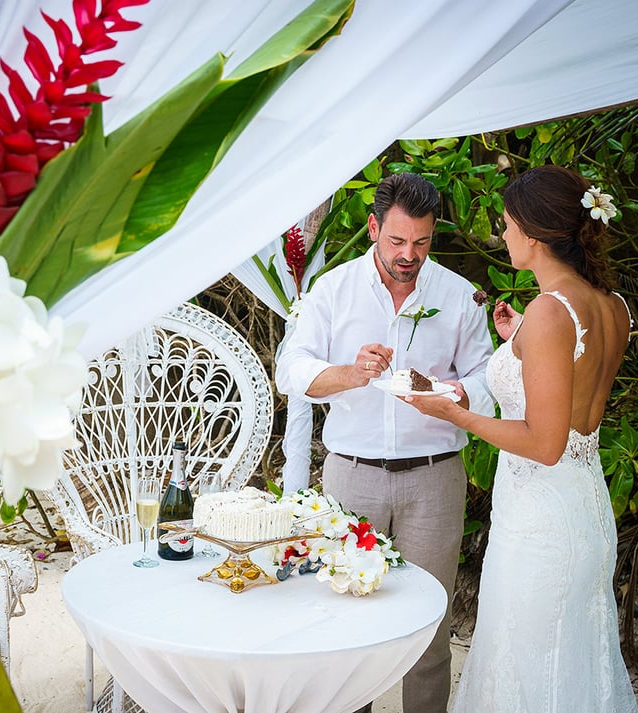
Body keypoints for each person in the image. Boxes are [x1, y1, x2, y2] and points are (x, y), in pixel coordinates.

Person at [402, 164, 636, 712]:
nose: (503, 235)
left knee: (529, 663)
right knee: (568, 657)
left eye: (507, 225)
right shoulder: (611, 305)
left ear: (533, 235)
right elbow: (568, 388)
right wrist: (517, 341)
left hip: (541, 523)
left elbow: (545, 442)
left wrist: (453, 414)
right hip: (584, 507)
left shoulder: (552, 312)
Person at [276, 172, 495, 713]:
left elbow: (490, 378)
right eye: (397, 241)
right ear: (373, 227)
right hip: (351, 478)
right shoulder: (333, 289)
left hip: (434, 478)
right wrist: (351, 373)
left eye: (421, 243)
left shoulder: (457, 294)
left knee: (430, 629)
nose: (408, 254)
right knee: (350, 627)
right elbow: (290, 370)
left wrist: (445, 392)